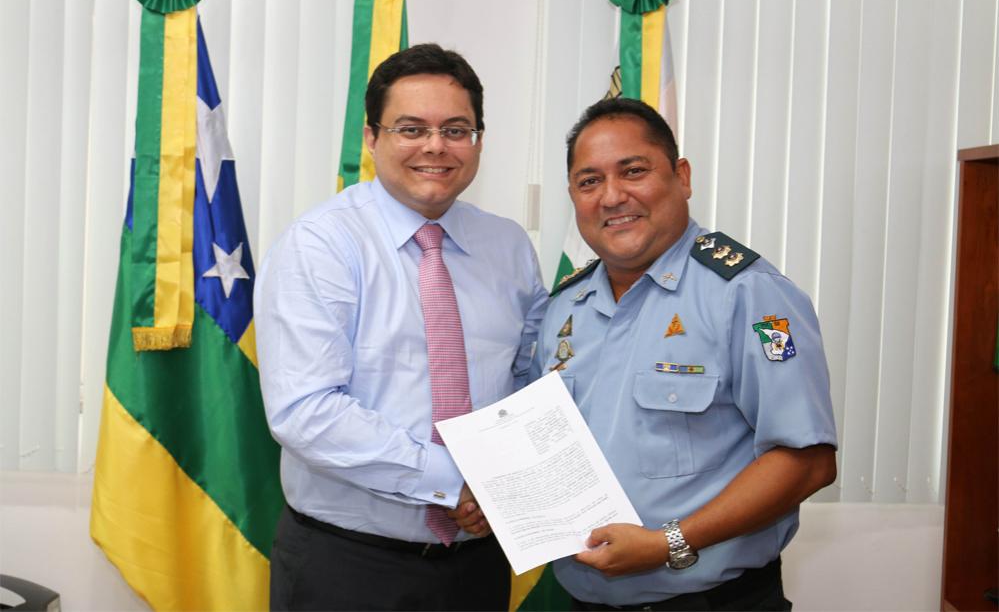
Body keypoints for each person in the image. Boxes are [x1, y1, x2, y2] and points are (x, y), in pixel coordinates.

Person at [254, 43, 548, 611]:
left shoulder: (508, 246)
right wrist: (455, 479)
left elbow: (526, 384)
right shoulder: (320, 245)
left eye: (456, 130)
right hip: (349, 567)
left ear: (478, 141)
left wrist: (506, 477)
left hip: (478, 561)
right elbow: (306, 410)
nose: (435, 146)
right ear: (372, 138)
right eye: (411, 129)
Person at [532, 97, 838, 611]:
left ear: (682, 177)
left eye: (634, 171)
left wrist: (666, 543)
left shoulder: (750, 296)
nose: (612, 196)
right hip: (584, 599)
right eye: (589, 181)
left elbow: (807, 461)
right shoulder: (565, 306)